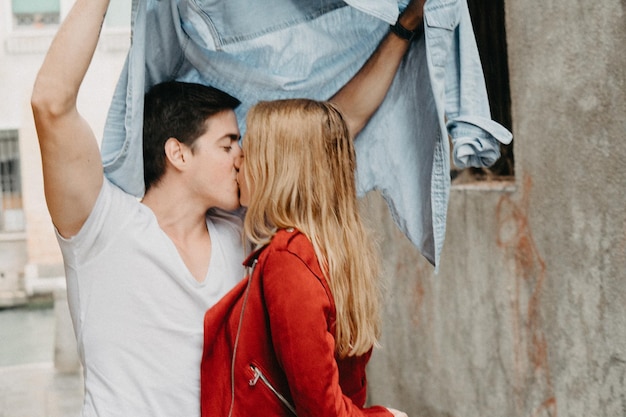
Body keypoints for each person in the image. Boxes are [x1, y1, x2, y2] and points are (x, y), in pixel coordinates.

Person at [30, 0, 424, 415]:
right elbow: (50, 105)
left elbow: (334, 127)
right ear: (178, 155)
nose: (242, 156)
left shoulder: (241, 233)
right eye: (228, 144)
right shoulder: (102, 228)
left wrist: (403, 29)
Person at [201, 99, 406, 417]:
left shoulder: (288, 259)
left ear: (279, 169)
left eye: (250, 150)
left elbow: (323, 408)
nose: (238, 161)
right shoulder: (335, 253)